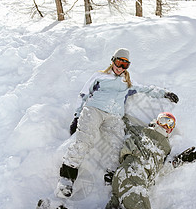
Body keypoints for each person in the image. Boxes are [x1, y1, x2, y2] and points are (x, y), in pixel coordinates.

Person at [29, 112, 196, 209]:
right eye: (164, 119)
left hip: (126, 179)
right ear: (156, 121)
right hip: (133, 174)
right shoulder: (141, 131)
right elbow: (118, 118)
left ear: (171, 130)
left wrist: (177, 162)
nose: (166, 124)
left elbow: (156, 172)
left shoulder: (164, 149)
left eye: (170, 123)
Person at [56, 48, 179, 199]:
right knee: (83, 142)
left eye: (125, 65)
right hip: (94, 109)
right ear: (112, 60)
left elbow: (146, 89)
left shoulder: (127, 84)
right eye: (118, 62)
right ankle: (66, 180)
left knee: (117, 147)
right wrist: (76, 116)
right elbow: (84, 94)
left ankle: (111, 180)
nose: (120, 67)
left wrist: (164, 93)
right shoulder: (99, 77)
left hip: (114, 117)